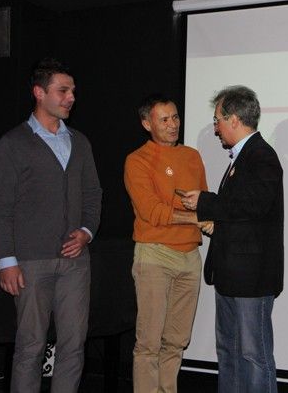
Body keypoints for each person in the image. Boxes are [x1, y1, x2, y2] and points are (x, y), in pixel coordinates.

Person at [0, 57, 102, 393]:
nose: (71, 97)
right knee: (30, 346)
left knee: (74, 345)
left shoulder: (79, 142)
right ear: (39, 93)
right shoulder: (12, 144)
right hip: (30, 263)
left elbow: (94, 195)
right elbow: (0, 208)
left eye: (73, 91)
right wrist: (6, 261)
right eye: (63, 90)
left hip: (75, 263)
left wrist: (87, 232)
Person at [180, 85, 284, 393]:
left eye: (217, 120)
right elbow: (246, 216)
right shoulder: (243, 157)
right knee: (229, 352)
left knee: (254, 356)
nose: (215, 129)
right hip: (231, 276)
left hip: (251, 280)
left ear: (234, 119)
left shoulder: (261, 156)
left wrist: (205, 201)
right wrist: (218, 225)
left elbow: (254, 205)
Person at [124, 94, 209, 393]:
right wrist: (195, 218)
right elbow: (152, 211)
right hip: (155, 255)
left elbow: (204, 201)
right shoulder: (137, 160)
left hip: (190, 256)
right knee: (149, 343)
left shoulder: (192, 156)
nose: (173, 125)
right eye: (164, 119)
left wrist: (207, 217)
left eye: (175, 117)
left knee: (176, 341)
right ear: (147, 124)